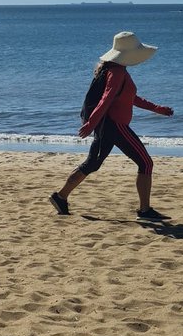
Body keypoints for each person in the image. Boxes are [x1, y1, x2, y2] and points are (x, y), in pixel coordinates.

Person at [49, 31, 175, 220]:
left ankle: (60, 197)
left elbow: (130, 97)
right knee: (146, 163)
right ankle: (145, 210)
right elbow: (106, 99)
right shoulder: (117, 72)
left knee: (92, 163)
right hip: (114, 125)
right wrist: (91, 123)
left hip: (107, 125)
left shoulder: (112, 69)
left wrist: (157, 109)